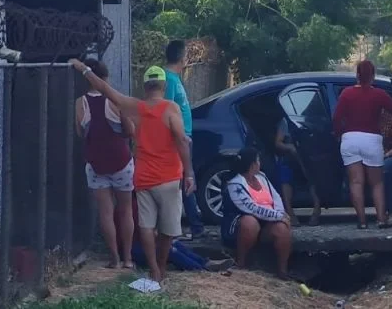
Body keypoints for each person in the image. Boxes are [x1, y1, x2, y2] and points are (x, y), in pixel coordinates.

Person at [69, 59, 195, 283]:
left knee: (136, 223)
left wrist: (83, 69)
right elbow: (179, 140)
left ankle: (135, 263)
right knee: (157, 224)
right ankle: (149, 264)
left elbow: (103, 94)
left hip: (132, 174)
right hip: (152, 173)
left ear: (145, 87)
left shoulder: (132, 107)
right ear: (164, 87)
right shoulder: (170, 108)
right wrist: (189, 172)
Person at [74, 59, 136, 269]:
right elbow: (130, 131)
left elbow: (80, 133)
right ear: (105, 77)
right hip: (121, 162)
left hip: (96, 164)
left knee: (105, 213)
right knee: (125, 211)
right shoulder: (115, 101)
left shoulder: (80, 102)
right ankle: (128, 259)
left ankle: (114, 259)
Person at [332, 60, 392, 229]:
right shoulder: (379, 94)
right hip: (372, 140)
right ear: (373, 76)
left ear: (357, 75)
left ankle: (362, 222)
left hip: (350, 139)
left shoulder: (346, 93)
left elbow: (336, 118)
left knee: (356, 182)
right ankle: (381, 218)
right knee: (377, 183)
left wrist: (339, 134)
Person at [221, 147, 292, 279]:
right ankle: (240, 263)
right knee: (250, 222)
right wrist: (277, 216)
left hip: (266, 223)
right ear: (253, 164)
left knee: (282, 228)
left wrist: (280, 214)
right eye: (258, 160)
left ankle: (283, 271)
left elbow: (276, 197)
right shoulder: (235, 183)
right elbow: (250, 207)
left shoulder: (262, 177)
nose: (260, 163)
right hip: (241, 226)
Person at [130, 191, 233, 273]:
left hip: (140, 244)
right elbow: (150, 233)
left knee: (175, 244)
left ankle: (206, 263)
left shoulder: (139, 203)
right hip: (135, 248)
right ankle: (199, 269)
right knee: (170, 250)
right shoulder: (138, 205)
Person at [164, 40, 204, 240]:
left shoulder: (176, 78)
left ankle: (195, 225)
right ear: (181, 57)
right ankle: (192, 225)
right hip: (179, 138)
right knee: (186, 179)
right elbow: (167, 110)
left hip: (185, 136)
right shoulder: (169, 80)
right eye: (186, 54)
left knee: (187, 178)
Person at [273, 118, 321, 227]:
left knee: (313, 175)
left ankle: (317, 210)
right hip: (290, 157)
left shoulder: (310, 119)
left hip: (308, 157)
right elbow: (278, 143)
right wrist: (290, 148)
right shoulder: (285, 121)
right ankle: (290, 212)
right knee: (285, 174)